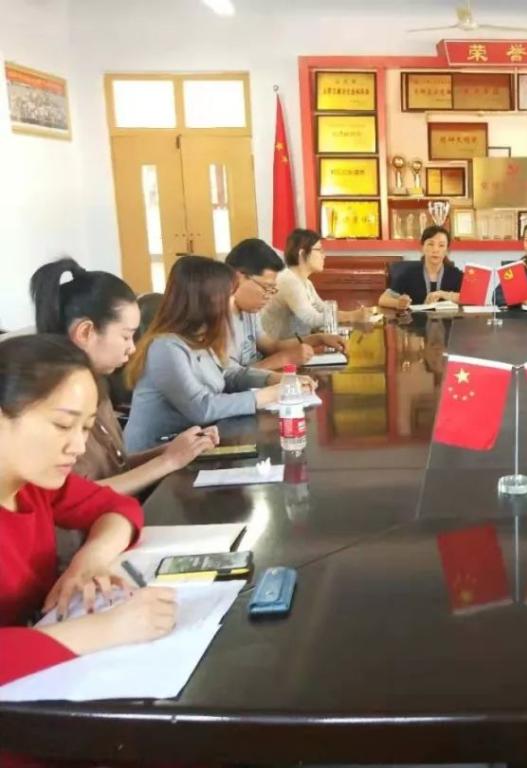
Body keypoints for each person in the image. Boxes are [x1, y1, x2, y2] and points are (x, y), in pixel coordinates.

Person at [0, 334, 177, 686]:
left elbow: (117, 507)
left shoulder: (34, 485)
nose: (79, 447)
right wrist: (108, 628)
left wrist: (89, 561)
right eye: (62, 425)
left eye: (85, 428)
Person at [29, 257, 219, 495]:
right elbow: (72, 500)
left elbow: (116, 468)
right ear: (85, 332)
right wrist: (168, 461)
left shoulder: (96, 385)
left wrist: (176, 450)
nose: (132, 348)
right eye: (126, 336)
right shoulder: (50, 402)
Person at [123, 256, 312, 452]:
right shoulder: (165, 347)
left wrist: (276, 379)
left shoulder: (200, 337)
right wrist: (266, 396)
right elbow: (201, 407)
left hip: (194, 446)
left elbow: (228, 374)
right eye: (229, 297)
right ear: (204, 302)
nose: (232, 305)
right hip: (155, 456)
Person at [225, 238, 347, 370]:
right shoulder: (217, 318)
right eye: (266, 288)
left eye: (272, 290)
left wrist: (319, 339)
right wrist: (285, 358)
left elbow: (271, 347)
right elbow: (230, 377)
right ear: (239, 277)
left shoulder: (249, 310)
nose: (268, 297)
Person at [260, 228, 373, 339]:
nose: (324, 255)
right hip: (278, 347)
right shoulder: (289, 280)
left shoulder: (306, 282)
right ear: (302, 253)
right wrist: (352, 316)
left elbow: (324, 309)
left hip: (298, 342)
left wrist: (355, 314)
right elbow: (311, 319)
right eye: (319, 250)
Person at [377, 226, 463, 310]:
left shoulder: (455, 274)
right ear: (422, 248)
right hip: (416, 319)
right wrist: (398, 303)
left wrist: (443, 294)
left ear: (447, 251)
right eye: (430, 244)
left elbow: (470, 298)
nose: (435, 250)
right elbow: (382, 299)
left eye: (441, 245)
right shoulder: (409, 274)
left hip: (447, 319)